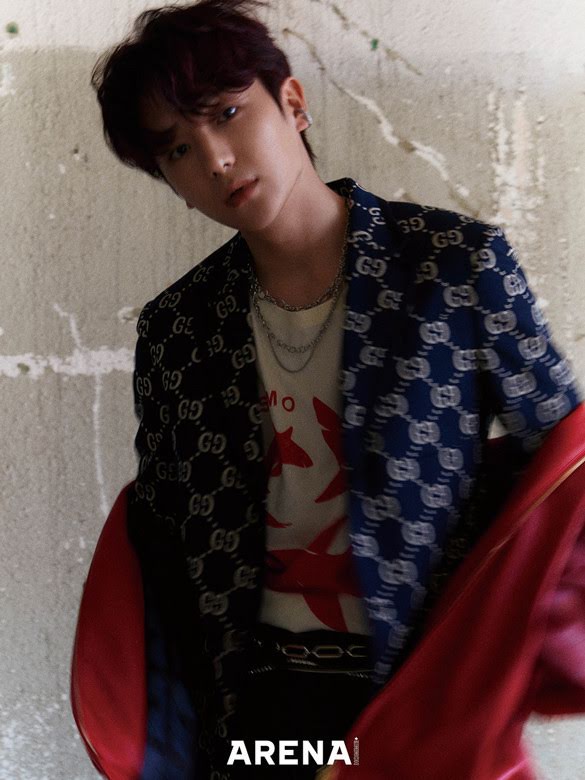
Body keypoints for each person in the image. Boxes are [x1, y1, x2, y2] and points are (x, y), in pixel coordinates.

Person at [90, 1, 582, 777]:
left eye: (226, 113)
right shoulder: (177, 328)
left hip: (419, 698)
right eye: (178, 148)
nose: (214, 158)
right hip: (258, 711)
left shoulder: (454, 266)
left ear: (291, 102)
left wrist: (504, 655)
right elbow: (166, 541)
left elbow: (567, 468)